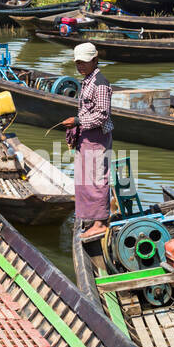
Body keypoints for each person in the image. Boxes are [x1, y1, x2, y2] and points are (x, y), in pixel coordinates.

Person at [60, 42, 112, 239]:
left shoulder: (100, 83)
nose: (80, 66)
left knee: (97, 178)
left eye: (84, 62)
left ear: (95, 60)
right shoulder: (88, 80)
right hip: (86, 135)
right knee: (85, 179)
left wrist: (77, 120)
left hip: (97, 136)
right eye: (78, 63)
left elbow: (102, 116)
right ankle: (91, 217)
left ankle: (100, 222)